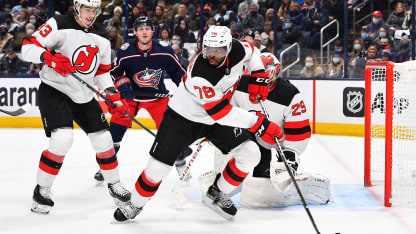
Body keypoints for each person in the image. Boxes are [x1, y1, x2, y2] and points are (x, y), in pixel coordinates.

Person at [113, 25, 283, 222]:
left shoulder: (237, 49)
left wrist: (258, 75)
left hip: (214, 117)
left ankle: (217, 193)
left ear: (228, 48)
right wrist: (260, 124)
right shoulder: (200, 73)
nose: (211, 55)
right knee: (156, 169)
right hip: (182, 119)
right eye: (207, 49)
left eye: (218, 50)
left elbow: (253, 51)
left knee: (250, 153)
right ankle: (135, 204)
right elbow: (221, 113)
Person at [21, 0, 131, 215]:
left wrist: (114, 98)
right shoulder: (59, 23)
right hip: (55, 90)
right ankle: (41, 191)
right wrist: (49, 57)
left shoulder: (102, 36)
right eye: (87, 9)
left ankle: (115, 185)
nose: (91, 14)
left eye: (94, 10)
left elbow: (102, 72)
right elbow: (28, 47)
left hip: (84, 95)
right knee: (62, 139)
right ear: (77, 7)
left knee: (104, 140)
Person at [199, 52, 331, 207]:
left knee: (267, 188)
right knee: (218, 179)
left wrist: (288, 157)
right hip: (242, 138)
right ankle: (220, 179)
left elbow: (298, 131)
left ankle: (310, 185)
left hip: (271, 146)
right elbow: (223, 113)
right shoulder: (238, 85)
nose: (259, 82)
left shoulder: (289, 94)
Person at [93, 16, 191, 185]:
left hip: (157, 99)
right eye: (140, 29)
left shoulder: (164, 50)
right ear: (135, 32)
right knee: (114, 135)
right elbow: (114, 73)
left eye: (147, 28)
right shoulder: (125, 51)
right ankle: (105, 168)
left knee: (170, 135)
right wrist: (121, 83)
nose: (144, 31)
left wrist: (187, 91)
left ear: (153, 31)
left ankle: (181, 165)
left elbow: (178, 73)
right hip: (130, 99)